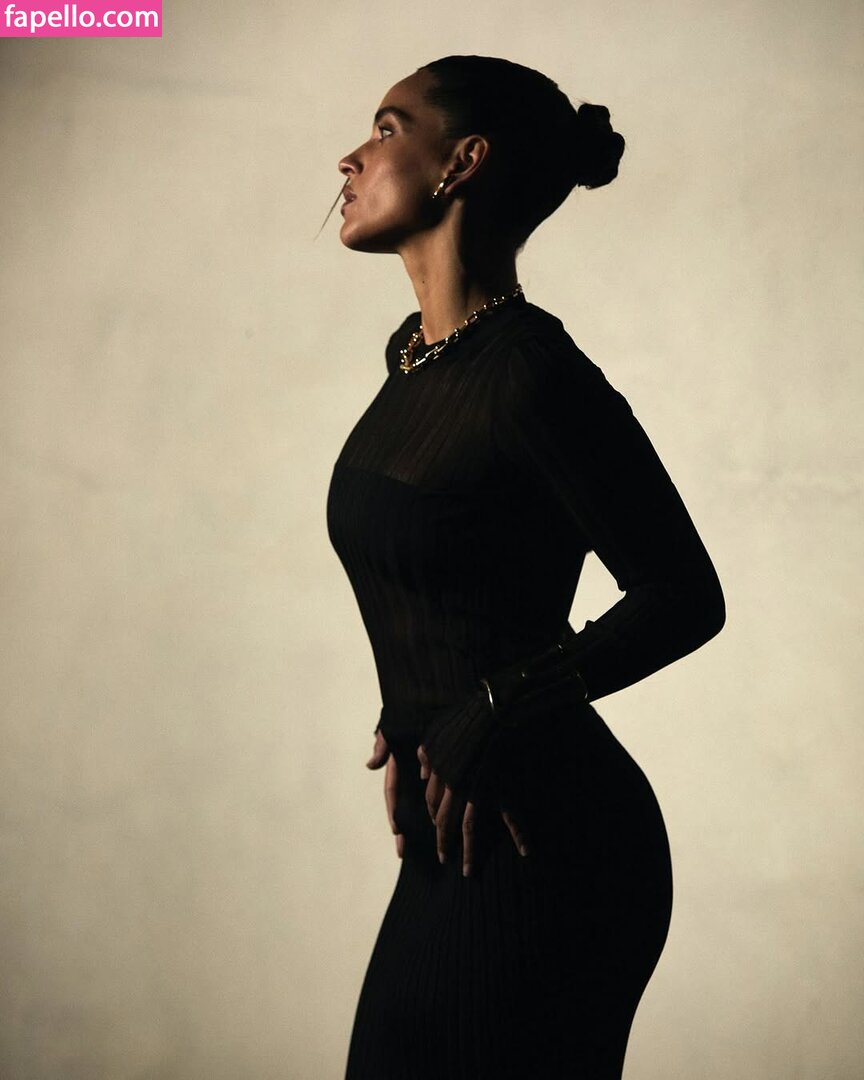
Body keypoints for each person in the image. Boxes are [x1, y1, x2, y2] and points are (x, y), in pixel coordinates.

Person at [326, 55, 725, 1080]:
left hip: (552, 841)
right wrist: (417, 713)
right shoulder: (414, 356)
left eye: (386, 128)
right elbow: (454, 568)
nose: (350, 158)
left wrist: (492, 709)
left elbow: (685, 596)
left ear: (460, 162)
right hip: (457, 824)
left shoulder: (532, 374)